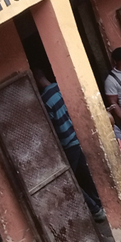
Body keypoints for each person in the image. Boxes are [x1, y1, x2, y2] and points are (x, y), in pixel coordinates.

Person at [36, 71, 107, 221]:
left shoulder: (45, 100)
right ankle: (101, 205)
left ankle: (95, 209)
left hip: (68, 144)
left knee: (70, 180)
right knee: (86, 175)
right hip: (78, 138)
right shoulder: (61, 87)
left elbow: (50, 126)